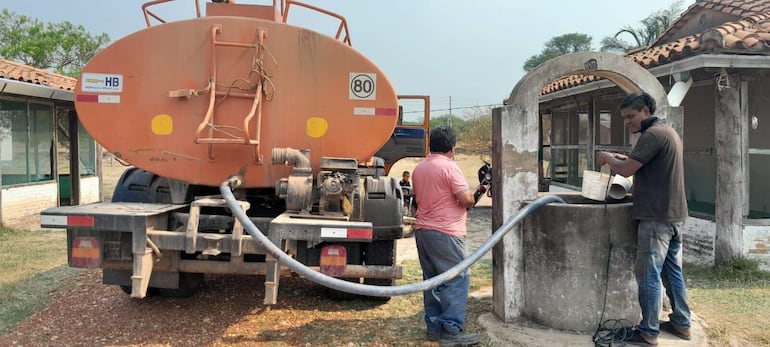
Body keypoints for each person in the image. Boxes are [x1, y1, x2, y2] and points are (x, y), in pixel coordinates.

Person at [596, 92, 691, 346]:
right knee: (672, 272)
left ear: (646, 110)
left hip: (655, 217)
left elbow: (627, 170)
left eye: (631, 116)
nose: (628, 122)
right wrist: (622, 158)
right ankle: (682, 323)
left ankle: (648, 330)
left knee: (648, 274)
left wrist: (606, 158)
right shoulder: (666, 132)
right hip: (673, 215)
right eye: (625, 118)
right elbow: (640, 163)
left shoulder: (652, 135)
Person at [411, 125, 480, 347]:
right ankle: (451, 332)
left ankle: (433, 328)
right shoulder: (450, 168)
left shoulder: (419, 168)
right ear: (452, 147)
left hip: (423, 231)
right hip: (447, 232)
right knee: (457, 278)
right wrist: (475, 193)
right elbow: (466, 200)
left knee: (432, 280)